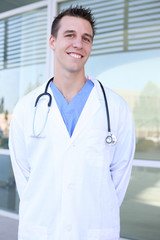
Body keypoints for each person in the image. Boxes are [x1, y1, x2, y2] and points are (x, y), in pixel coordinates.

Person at [9, 6, 135, 240]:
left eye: (86, 38)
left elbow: (119, 177)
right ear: (52, 41)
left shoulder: (115, 108)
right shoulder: (27, 108)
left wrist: (94, 212)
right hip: (41, 230)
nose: (78, 44)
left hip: (95, 230)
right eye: (70, 35)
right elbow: (25, 178)